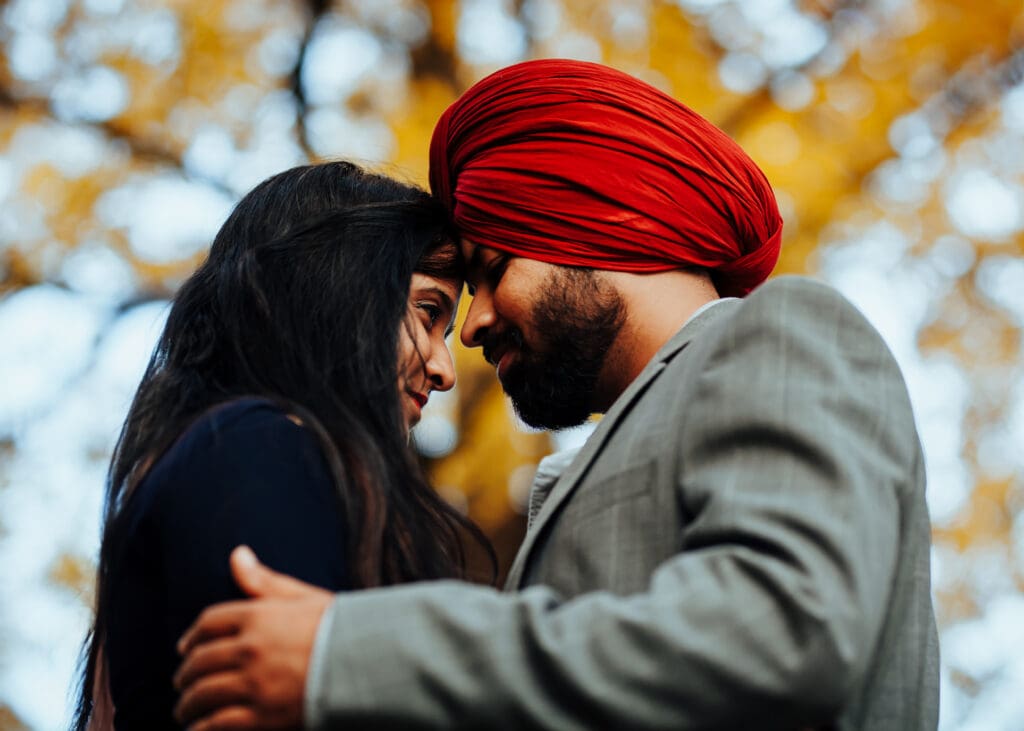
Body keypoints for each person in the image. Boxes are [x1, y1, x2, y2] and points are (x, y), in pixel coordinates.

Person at [174, 60, 939, 730]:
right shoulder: (611, 446)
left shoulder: (781, 331)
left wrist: (350, 653)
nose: (472, 328)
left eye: (495, 267)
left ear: (600, 223)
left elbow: (782, 631)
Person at [72, 161, 492, 730]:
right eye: (426, 311)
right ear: (335, 287)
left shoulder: (227, 451)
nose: (444, 369)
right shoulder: (257, 449)